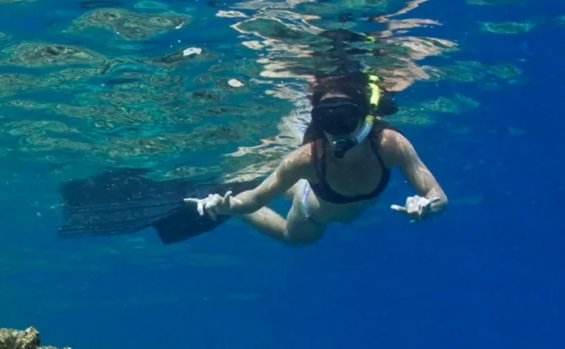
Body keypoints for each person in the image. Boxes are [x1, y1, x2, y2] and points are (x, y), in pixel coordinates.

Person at [182, 72, 447, 245]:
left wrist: (428, 204)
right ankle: (230, 189)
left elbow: (437, 195)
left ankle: (258, 185)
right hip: (310, 212)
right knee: (294, 238)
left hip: (322, 189)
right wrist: (229, 205)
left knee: (292, 181)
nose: (337, 129)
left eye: (344, 118)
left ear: (364, 117)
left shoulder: (391, 145)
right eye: (326, 119)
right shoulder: (305, 159)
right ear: (317, 122)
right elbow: (256, 200)